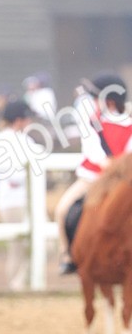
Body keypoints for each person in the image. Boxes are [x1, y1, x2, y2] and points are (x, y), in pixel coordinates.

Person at [55, 73, 132, 274]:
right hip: (91, 181)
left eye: (97, 97)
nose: (93, 102)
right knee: (62, 211)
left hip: (120, 183)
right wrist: (111, 166)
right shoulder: (91, 122)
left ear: (111, 101)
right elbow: (94, 152)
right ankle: (68, 255)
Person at [0, 98, 36, 292]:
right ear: (19, 120)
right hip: (12, 200)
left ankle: (21, 280)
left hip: (25, 199)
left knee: (36, 244)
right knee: (17, 246)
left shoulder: (25, 139)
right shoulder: (2, 141)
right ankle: (17, 283)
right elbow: (1, 171)